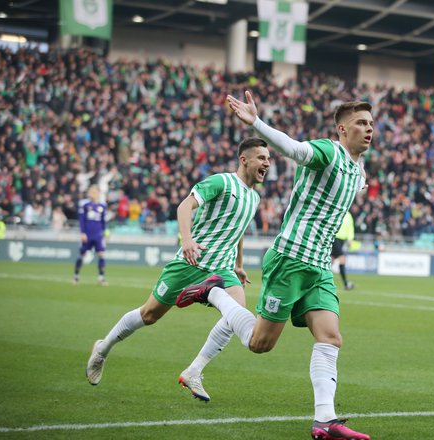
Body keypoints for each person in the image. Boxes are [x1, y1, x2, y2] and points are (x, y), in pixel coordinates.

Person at [176, 91, 371, 440]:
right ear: (342, 129)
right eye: (360, 123)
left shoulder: (358, 169)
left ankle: (324, 420)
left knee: (330, 337)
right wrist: (257, 123)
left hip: (319, 266)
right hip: (292, 258)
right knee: (259, 344)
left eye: (371, 123)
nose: (369, 129)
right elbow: (295, 149)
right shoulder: (329, 151)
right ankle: (215, 291)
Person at [85, 138, 271, 399]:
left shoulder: (254, 197)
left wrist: (239, 265)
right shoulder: (222, 182)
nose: (267, 163)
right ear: (245, 160)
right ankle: (103, 349)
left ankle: (194, 371)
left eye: (268, 158)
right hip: (191, 262)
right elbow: (184, 206)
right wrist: (187, 239)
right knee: (149, 315)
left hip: (222, 269)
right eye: (262, 158)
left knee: (235, 314)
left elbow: (237, 229)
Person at [73, 185, 108, 285]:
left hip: (98, 235)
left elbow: (103, 222)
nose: (92, 193)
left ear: (98, 193)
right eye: (91, 191)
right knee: (82, 254)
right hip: (87, 234)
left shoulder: (103, 206)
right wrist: (83, 232)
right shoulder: (85, 204)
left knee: (101, 254)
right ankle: (76, 276)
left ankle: (101, 278)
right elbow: (81, 220)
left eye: (94, 191)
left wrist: (105, 233)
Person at [331, 210, 355, 290]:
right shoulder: (338, 211)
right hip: (335, 237)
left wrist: (350, 239)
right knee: (342, 258)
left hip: (342, 240)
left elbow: (350, 227)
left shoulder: (348, 215)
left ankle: (320, 279)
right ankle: (346, 283)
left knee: (331, 260)